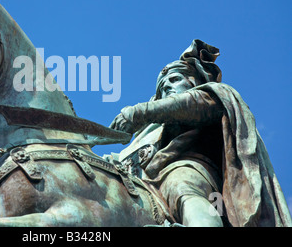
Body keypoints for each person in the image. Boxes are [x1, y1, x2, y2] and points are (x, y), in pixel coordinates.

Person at [110, 39, 292, 227]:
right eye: (162, 87)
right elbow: (127, 158)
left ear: (194, 82)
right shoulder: (150, 129)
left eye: (174, 80)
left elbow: (188, 104)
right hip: (145, 182)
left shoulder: (213, 95)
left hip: (193, 172)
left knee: (181, 185)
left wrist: (139, 112)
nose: (167, 88)